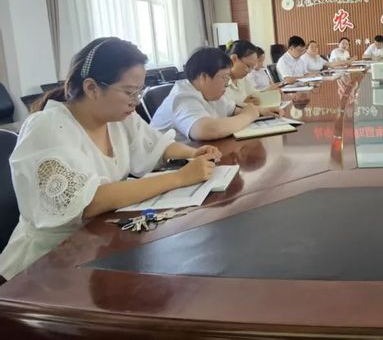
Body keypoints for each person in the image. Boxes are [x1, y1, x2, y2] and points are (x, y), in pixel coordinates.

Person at [0, 38, 221, 281]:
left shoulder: (117, 118)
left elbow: (159, 146)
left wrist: (192, 154)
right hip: (47, 263)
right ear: (91, 88)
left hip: (99, 242)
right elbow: (89, 201)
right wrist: (179, 178)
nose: (136, 101)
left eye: (139, 91)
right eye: (129, 92)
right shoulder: (48, 127)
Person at [150, 47, 260, 141]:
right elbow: (206, 130)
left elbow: (234, 111)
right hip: (170, 159)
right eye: (224, 77)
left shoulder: (212, 94)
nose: (227, 84)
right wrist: (247, 116)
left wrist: (261, 111)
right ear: (203, 77)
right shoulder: (182, 97)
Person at [224, 40, 262, 107]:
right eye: (248, 66)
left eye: (252, 67)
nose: (249, 71)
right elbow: (226, 109)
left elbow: (255, 94)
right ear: (234, 59)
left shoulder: (243, 79)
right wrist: (243, 105)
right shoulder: (221, 82)